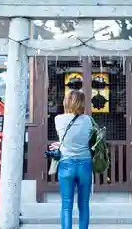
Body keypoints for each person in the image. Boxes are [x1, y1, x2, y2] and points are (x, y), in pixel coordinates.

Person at [49, 90, 93, 229]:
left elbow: (66, 139)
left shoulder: (58, 119)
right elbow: (87, 140)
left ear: (66, 102)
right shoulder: (88, 120)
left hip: (66, 163)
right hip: (85, 164)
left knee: (66, 204)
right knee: (84, 204)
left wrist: (60, 145)